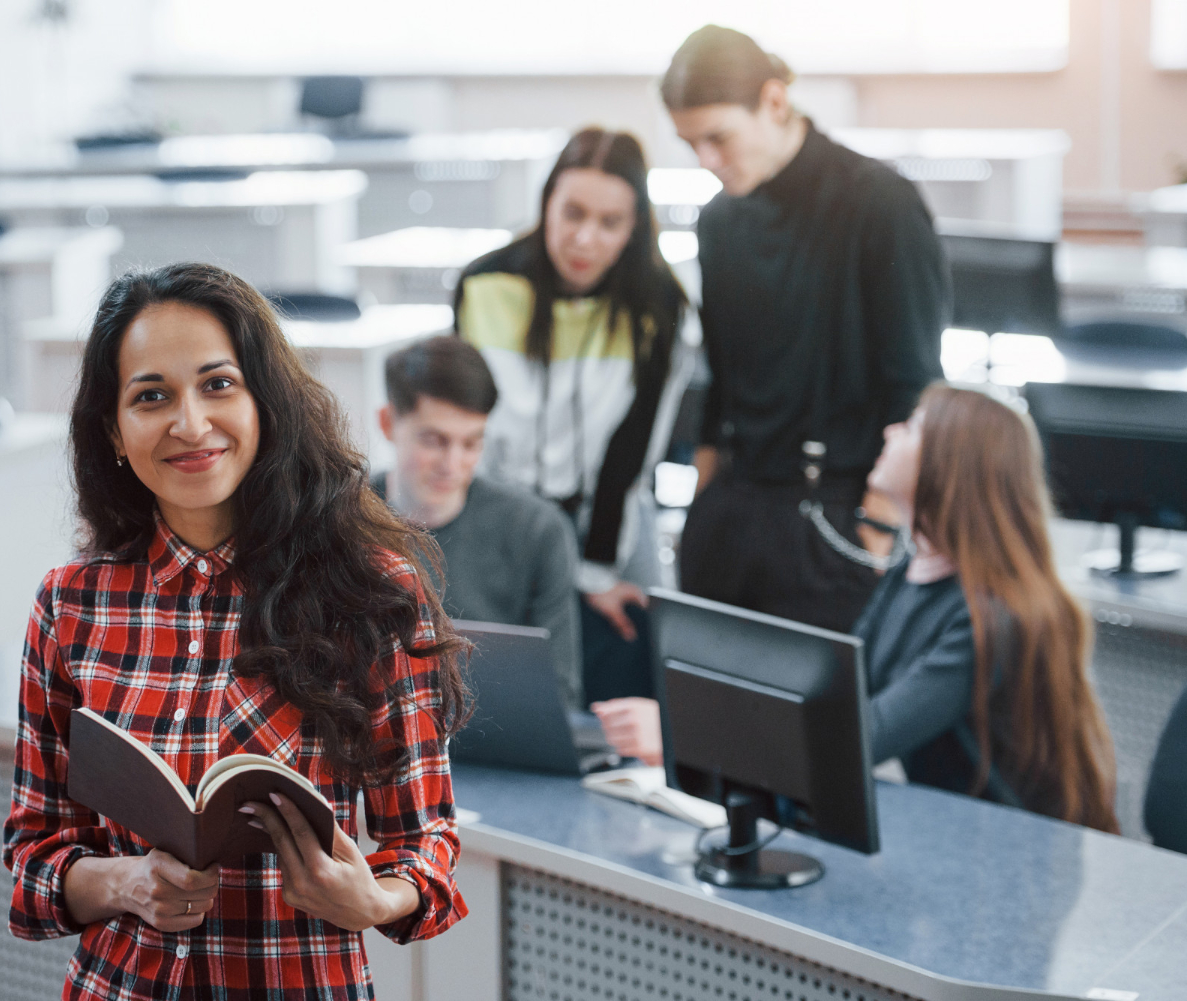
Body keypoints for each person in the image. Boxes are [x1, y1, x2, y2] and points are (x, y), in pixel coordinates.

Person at [3, 263, 470, 1000]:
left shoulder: (372, 593)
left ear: (266, 403)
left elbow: (427, 843)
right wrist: (124, 882)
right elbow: (33, 854)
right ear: (115, 432)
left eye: (218, 384)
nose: (190, 424)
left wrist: (374, 899)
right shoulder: (72, 605)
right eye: (151, 396)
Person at [595, 384, 1120, 832]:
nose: (890, 432)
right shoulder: (909, 573)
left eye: (911, 427)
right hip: (958, 828)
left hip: (1015, 851)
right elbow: (833, 699)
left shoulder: (991, 616)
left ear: (949, 463)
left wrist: (682, 732)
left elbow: (860, 737)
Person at [661, 25, 948, 633]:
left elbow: (913, 380)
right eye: (691, 144)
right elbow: (719, 381)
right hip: (733, 507)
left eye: (718, 138)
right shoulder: (718, 222)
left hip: (836, 513)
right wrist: (703, 506)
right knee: (706, 709)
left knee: (818, 725)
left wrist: (875, 526)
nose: (706, 161)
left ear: (774, 101)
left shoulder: (879, 202)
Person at [453, 126, 695, 704]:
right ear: (547, 205)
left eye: (610, 223)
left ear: (634, 227)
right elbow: (468, 429)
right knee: (493, 697)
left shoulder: (659, 307)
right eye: (573, 213)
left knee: (642, 674)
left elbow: (631, 455)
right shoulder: (485, 285)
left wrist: (593, 575)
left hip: (605, 522)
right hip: (502, 517)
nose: (585, 238)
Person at [372, 335, 583, 707]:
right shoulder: (337, 518)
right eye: (434, 441)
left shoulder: (537, 531)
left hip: (497, 744)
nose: (452, 465)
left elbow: (559, 694)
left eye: (471, 444)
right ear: (388, 424)